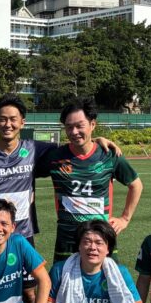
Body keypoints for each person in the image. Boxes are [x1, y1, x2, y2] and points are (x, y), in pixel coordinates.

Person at [0, 94, 121, 303]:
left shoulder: (34, 149)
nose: (7, 124)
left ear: (22, 122)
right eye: (2, 119)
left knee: (29, 291)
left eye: (13, 119)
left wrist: (97, 140)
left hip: (23, 232)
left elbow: (73, 146)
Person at [36, 97, 143, 262]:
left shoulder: (109, 155)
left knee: (105, 278)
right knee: (63, 278)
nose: (74, 132)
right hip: (67, 238)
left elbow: (136, 185)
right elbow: (24, 170)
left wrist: (125, 219)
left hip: (100, 238)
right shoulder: (55, 157)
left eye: (80, 126)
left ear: (92, 124)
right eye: (69, 127)